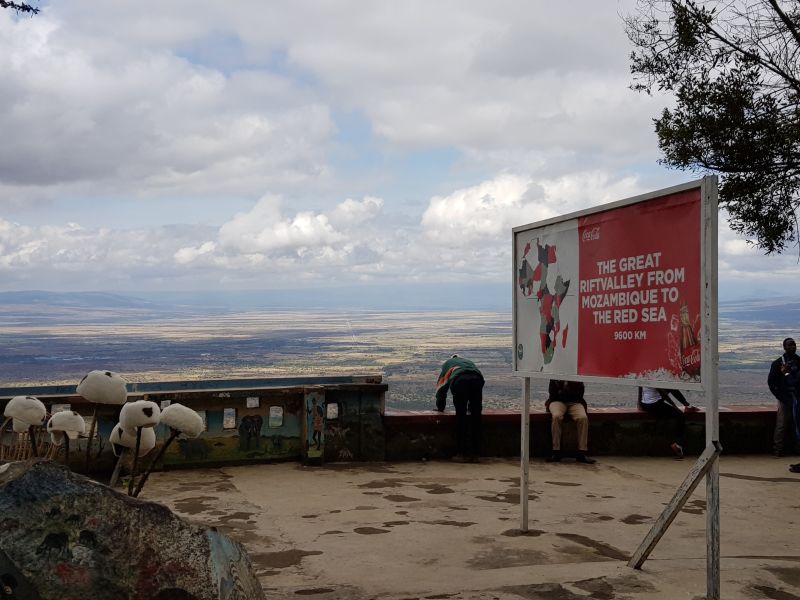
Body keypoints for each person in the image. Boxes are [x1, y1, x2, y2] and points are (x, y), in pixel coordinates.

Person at [434, 355, 484, 462]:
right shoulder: (468, 361)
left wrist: (440, 407)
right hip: (477, 379)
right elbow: (476, 377)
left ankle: (461, 453)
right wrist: (472, 407)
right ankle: (476, 454)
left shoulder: (447, 364)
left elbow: (441, 388)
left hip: (460, 381)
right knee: (476, 417)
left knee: (461, 417)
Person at [638, 387, 699, 458]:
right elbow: (663, 393)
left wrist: (639, 403)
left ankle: (687, 405)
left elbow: (640, 388)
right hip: (654, 405)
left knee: (671, 387)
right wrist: (675, 406)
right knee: (680, 416)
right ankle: (678, 443)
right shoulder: (654, 378)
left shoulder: (644, 376)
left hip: (645, 404)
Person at [545, 379, 595, 464]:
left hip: (575, 402)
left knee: (583, 418)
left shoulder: (576, 377)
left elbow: (580, 394)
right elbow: (553, 393)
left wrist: (563, 393)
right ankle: (556, 451)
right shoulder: (555, 376)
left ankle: (581, 452)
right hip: (557, 401)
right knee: (557, 416)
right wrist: (567, 394)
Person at [768, 337, 800, 457]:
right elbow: (772, 383)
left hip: (797, 398)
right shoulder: (778, 363)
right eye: (790, 345)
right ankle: (777, 450)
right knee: (781, 424)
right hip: (785, 398)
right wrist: (781, 397)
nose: (793, 347)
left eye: (794, 345)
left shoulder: (798, 361)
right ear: (784, 347)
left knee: (796, 424)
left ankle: (797, 449)